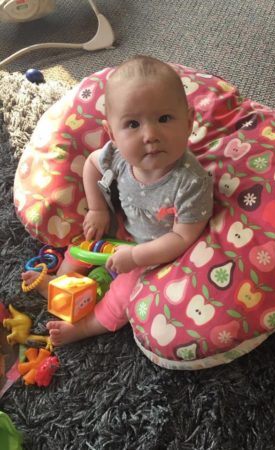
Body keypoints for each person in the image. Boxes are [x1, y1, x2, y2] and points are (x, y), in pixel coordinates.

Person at [22, 55, 214, 346]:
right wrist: (97, 209)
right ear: (112, 133)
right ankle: (59, 283)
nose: (150, 135)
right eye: (133, 124)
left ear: (188, 123)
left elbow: (182, 237)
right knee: (78, 250)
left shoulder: (191, 182)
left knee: (124, 294)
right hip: (119, 234)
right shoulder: (116, 155)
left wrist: (136, 257)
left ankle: (86, 326)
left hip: (154, 257)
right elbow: (91, 164)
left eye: (164, 119)